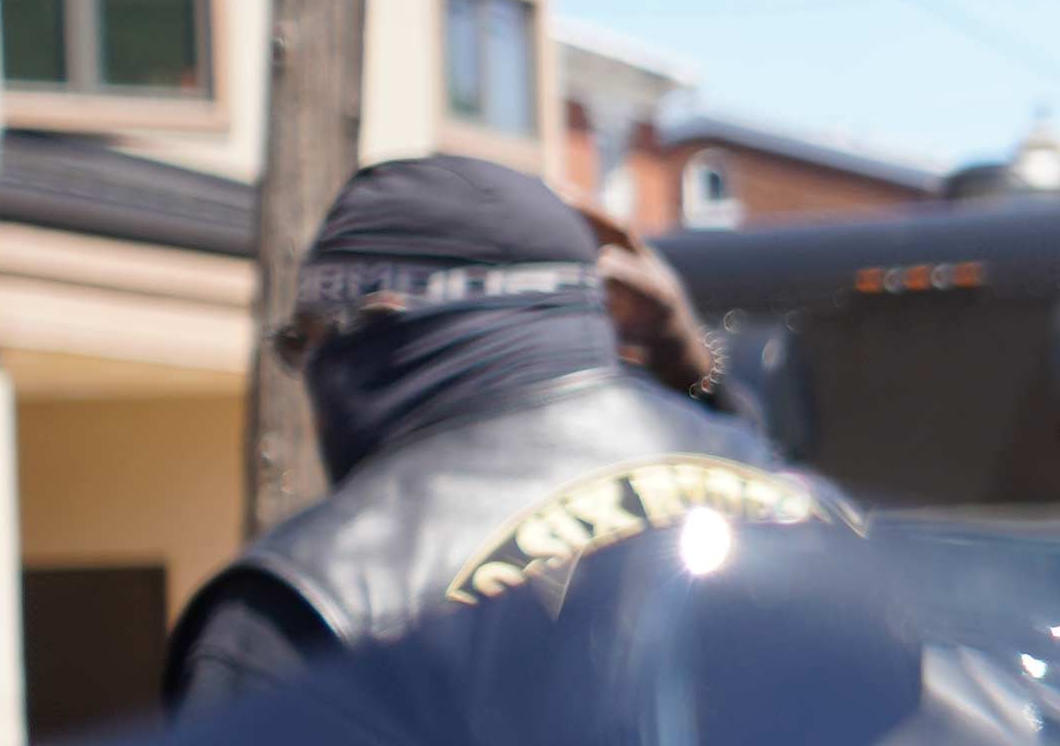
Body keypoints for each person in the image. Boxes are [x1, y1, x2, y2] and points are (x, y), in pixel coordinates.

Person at [168, 156, 846, 713]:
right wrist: (701, 369)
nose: (307, 374)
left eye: (304, 340)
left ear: (375, 318)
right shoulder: (794, 501)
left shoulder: (314, 595)